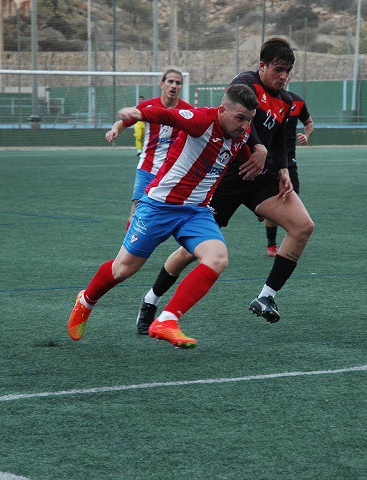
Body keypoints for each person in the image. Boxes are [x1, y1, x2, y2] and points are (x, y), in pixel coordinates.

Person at [135, 37, 315, 334]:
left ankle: (266, 297)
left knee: (303, 226)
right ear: (262, 66)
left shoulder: (285, 100)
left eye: (289, 71)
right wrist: (258, 147)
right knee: (189, 252)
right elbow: (244, 124)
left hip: (261, 178)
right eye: (279, 69)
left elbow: (282, 140)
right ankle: (150, 300)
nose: (283, 76)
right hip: (225, 178)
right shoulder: (246, 83)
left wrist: (282, 169)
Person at [67, 85, 265, 349]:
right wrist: (138, 113)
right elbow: (169, 116)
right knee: (123, 269)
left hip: (196, 212)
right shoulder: (202, 120)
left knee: (217, 257)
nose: (244, 126)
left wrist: (258, 160)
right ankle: (86, 300)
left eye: (249, 120)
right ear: (222, 111)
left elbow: (240, 154)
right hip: (159, 207)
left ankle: (167, 320)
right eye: (240, 118)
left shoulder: (243, 133)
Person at [105, 70, 194, 229]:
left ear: (181, 87)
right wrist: (114, 130)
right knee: (137, 207)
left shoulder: (187, 110)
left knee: (175, 211)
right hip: (148, 165)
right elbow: (123, 122)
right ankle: (125, 254)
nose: (173, 86)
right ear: (162, 84)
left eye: (178, 83)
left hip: (173, 169)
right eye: (170, 82)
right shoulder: (148, 106)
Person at [265, 82, 314, 257]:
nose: (282, 77)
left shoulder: (297, 102)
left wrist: (306, 135)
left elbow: (309, 123)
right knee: (272, 205)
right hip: (268, 158)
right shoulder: (265, 100)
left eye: (286, 73)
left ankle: (288, 246)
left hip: (289, 160)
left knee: (292, 203)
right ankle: (271, 244)